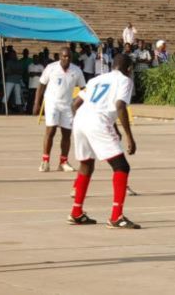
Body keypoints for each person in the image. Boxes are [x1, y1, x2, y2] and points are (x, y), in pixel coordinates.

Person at [69, 54, 139, 228]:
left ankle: (76, 212)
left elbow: (75, 104)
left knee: (86, 164)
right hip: (97, 121)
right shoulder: (125, 81)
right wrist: (129, 136)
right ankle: (116, 216)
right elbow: (120, 106)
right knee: (121, 166)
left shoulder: (96, 79)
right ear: (129, 69)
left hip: (81, 119)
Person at [33, 48, 86, 173]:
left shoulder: (76, 70)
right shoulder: (51, 68)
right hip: (52, 103)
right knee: (50, 131)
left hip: (68, 105)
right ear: (59, 57)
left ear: (71, 58)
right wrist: (37, 103)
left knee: (67, 133)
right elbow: (41, 85)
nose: (66, 59)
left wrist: (77, 102)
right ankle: (45, 161)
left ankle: (63, 162)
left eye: (68, 57)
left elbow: (84, 89)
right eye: (64, 56)